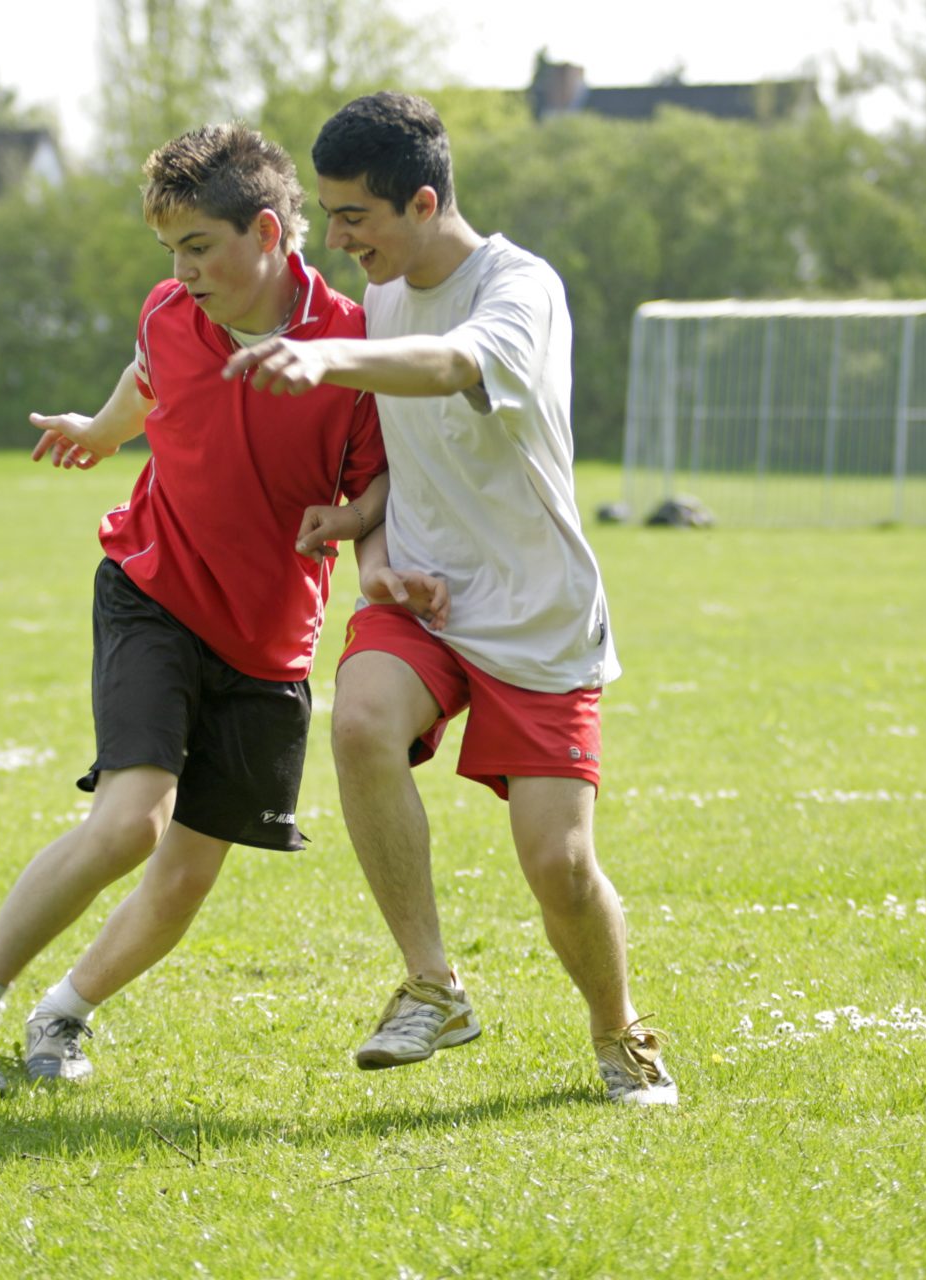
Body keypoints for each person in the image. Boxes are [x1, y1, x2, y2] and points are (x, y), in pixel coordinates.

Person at [0, 123, 388, 1093]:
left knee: (186, 873)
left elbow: (385, 482)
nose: (181, 271)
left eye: (197, 247)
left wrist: (354, 521)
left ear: (266, 231)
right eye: (169, 250)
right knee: (131, 822)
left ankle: (64, 1017)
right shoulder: (174, 310)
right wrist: (99, 431)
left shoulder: (356, 346)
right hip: (154, 590)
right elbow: (149, 376)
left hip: (269, 643)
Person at [225, 92, 677, 1105]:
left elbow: (453, 367)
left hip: (536, 611)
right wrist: (365, 530)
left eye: (356, 217)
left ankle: (619, 1031)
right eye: (331, 216)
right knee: (362, 723)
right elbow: (399, 449)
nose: (340, 241)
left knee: (558, 864)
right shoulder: (380, 288)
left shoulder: (520, 288)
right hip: (424, 592)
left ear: (423, 203)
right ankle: (434, 983)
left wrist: (330, 356)